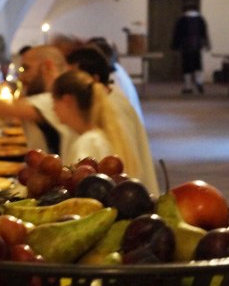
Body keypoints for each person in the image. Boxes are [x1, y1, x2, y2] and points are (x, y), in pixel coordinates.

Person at [65, 48, 159, 193]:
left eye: (74, 78)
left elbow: (119, 168)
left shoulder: (113, 107)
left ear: (94, 79)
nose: (70, 85)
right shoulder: (109, 99)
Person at [0, 45, 74, 156]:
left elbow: (5, 109)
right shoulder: (53, 96)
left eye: (26, 68)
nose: (21, 77)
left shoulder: (56, 99)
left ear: (47, 67)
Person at [172, 4, 211, 94]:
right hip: (197, 46)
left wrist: (175, 46)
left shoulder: (182, 19)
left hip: (186, 46)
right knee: (198, 65)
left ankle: (188, 86)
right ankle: (199, 83)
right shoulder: (200, 19)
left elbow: (177, 34)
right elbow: (204, 33)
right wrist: (207, 44)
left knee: (186, 66)